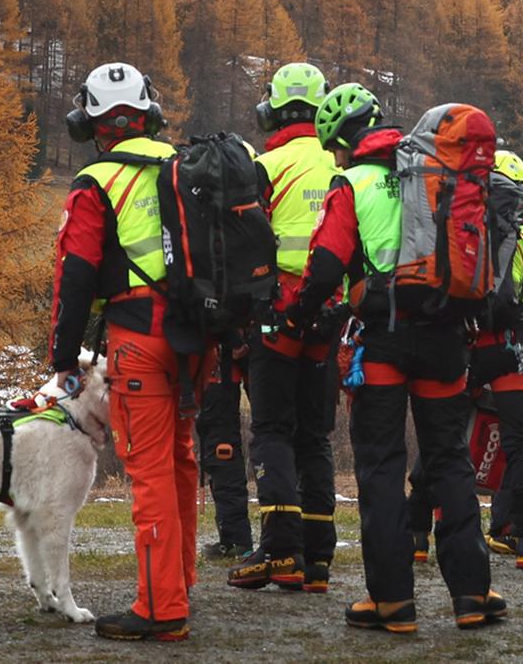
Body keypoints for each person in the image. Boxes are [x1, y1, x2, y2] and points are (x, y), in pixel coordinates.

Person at [280, 88, 508, 633]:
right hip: (446, 335)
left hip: (384, 337)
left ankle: (391, 602)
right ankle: (472, 594)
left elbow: (328, 264)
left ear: (340, 144)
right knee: (449, 460)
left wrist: (297, 315)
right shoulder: (430, 172)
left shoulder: (351, 181)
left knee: (380, 467)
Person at [45, 62, 201, 641]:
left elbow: (76, 276)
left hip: (139, 339)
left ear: (91, 123)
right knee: (182, 460)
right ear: (149, 115)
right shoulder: (185, 166)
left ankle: (162, 608)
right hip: (197, 338)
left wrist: (65, 357)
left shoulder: (96, 184)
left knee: (151, 470)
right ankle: (179, 582)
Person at [407, 148, 523, 570]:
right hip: (512, 350)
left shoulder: (458, 229)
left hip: (466, 347)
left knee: (442, 437)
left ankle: (418, 533)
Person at [229, 62, 342, 594]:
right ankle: (318, 560)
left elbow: (243, 245)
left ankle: (280, 551)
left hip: (275, 315)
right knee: (315, 435)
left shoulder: (262, 164)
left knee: (272, 430)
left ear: (270, 110)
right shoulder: (341, 163)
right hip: (329, 314)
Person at [198, 345, 250, 558]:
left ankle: (238, 540)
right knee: (217, 461)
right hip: (213, 384)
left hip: (222, 383)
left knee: (223, 456)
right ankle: (230, 538)